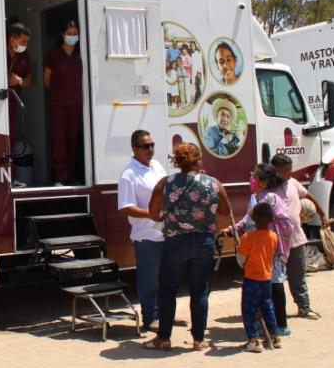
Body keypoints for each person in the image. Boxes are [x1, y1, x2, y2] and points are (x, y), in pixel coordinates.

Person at [144, 142, 232, 351]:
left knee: (168, 290)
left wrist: (171, 215)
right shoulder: (213, 183)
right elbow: (225, 210)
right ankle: (198, 340)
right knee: (199, 291)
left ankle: (163, 338)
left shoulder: (166, 183)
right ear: (199, 158)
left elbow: (153, 214)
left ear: (177, 161)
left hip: (176, 242)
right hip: (204, 242)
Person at [223, 163, 294, 336]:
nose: (251, 179)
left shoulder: (271, 198)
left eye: (255, 176)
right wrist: (233, 230)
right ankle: (268, 325)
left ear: (263, 182)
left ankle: (280, 324)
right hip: (258, 248)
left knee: (275, 285)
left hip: (271, 249)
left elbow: (285, 223)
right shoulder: (257, 198)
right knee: (265, 289)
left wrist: (272, 238)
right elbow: (248, 219)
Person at [118, 130, 167, 332]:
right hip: (146, 235)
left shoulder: (157, 166)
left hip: (166, 233)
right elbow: (125, 207)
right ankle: (150, 318)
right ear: (134, 148)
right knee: (149, 279)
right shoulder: (128, 174)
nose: (150, 150)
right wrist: (151, 214)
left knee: (166, 277)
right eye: (145, 146)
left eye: (152, 145)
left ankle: (165, 314)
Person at [272, 153, 328, 319]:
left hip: (296, 240)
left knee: (299, 276)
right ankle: (272, 312)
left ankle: (304, 307)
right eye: (284, 171)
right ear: (275, 171)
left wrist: (322, 213)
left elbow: (308, 196)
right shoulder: (268, 187)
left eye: (290, 170)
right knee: (274, 280)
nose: (288, 173)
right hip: (276, 242)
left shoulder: (294, 183)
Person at [236, 202, 281, 352]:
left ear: (253, 219)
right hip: (266, 278)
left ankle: (254, 339)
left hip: (251, 279)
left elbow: (241, 259)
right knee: (268, 307)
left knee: (249, 309)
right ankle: (274, 336)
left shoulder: (247, 238)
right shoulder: (274, 236)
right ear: (270, 219)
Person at [44, 21, 83, 186]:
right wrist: (58, 93)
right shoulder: (54, 55)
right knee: (59, 140)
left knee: (72, 140)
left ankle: (72, 175)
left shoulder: (81, 54)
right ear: (62, 34)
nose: (73, 36)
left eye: (75, 33)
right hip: (58, 104)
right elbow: (47, 79)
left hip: (76, 103)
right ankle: (60, 177)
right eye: (70, 33)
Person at [6, 22, 33, 187]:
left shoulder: (24, 56)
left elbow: (30, 81)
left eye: (27, 42)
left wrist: (19, 80)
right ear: (12, 40)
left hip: (12, 102)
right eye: (23, 42)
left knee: (11, 140)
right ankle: (2, 177)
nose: (25, 45)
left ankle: (11, 177)